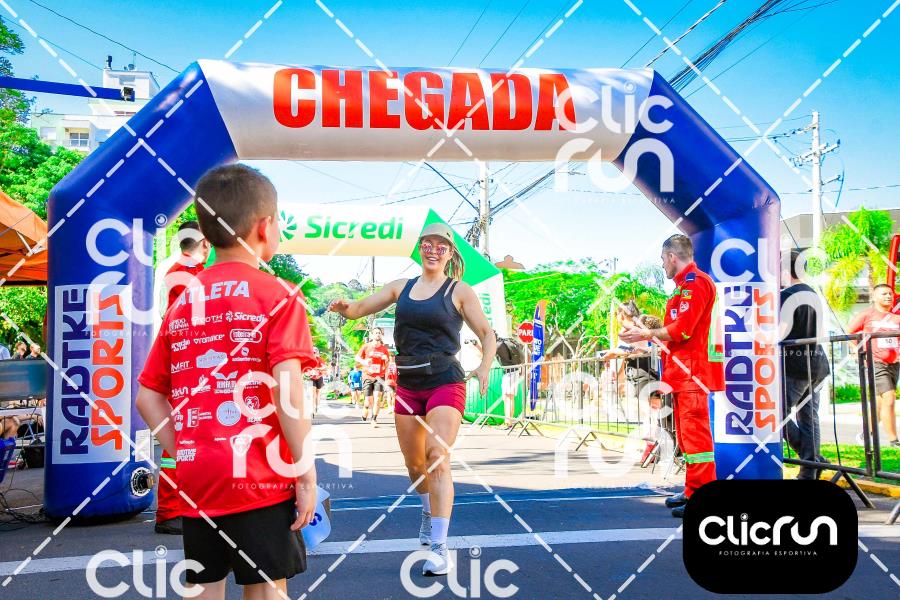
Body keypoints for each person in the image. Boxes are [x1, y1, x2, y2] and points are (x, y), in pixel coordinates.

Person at [136, 164, 317, 599]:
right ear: (265, 227)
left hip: (199, 477)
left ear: (204, 231)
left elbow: (148, 397)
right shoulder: (279, 296)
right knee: (266, 587)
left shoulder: (184, 301)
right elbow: (288, 392)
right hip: (260, 476)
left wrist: (186, 450)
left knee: (204, 585)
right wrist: (304, 474)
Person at [329, 222, 496, 576]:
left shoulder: (459, 290)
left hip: (445, 381)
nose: (433, 250)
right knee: (415, 463)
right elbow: (359, 309)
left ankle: (439, 547)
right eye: (427, 244)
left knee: (437, 456)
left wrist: (484, 366)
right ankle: (427, 510)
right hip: (407, 383)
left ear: (450, 253)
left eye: (441, 246)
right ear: (420, 248)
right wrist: (344, 307)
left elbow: (486, 332)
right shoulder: (400, 287)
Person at [620, 234, 724, 518]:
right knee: (687, 438)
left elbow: (683, 329)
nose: (663, 265)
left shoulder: (696, 283)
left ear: (672, 257)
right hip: (682, 372)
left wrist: (645, 333)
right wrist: (645, 333)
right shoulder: (683, 287)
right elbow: (675, 333)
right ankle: (692, 489)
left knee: (696, 439)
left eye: (663, 260)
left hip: (693, 372)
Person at [153, 221, 213, 536]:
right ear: (204, 243)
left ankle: (180, 507)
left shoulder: (177, 272)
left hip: (184, 366)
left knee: (188, 438)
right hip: (189, 368)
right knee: (184, 438)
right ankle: (170, 509)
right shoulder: (191, 275)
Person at [780, 249, 830, 478]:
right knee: (809, 418)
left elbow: (779, 332)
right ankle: (810, 470)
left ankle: (812, 460)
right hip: (817, 364)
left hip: (796, 366)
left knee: (775, 415)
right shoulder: (812, 293)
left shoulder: (786, 296)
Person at [848, 283, 900, 447]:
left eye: (890, 294)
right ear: (875, 297)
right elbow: (850, 333)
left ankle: (866, 435)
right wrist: (857, 350)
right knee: (889, 398)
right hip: (876, 363)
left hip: (894, 364)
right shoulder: (867, 315)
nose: (889, 296)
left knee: (879, 403)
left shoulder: (896, 318)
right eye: (884, 294)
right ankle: (894, 441)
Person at [355, 327, 390, 426]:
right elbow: (357, 357)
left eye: (379, 333)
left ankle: (374, 419)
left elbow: (387, 364)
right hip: (367, 376)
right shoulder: (366, 346)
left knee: (377, 398)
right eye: (376, 333)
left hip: (379, 376)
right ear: (372, 335)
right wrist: (364, 362)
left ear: (381, 335)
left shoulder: (384, 349)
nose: (378, 334)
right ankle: (365, 407)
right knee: (368, 400)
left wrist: (386, 360)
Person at [305, 348, 326, 415]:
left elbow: (324, 367)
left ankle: (317, 406)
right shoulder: (308, 360)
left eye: (314, 352)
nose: (313, 354)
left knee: (317, 393)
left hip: (319, 377)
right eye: (312, 352)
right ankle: (312, 409)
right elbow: (305, 368)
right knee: (312, 394)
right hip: (311, 378)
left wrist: (317, 368)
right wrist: (308, 372)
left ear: (316, 353)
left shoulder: (319, 359)